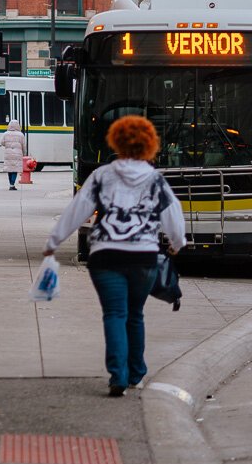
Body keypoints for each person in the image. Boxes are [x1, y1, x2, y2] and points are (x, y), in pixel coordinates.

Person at [42, 115, 186, 397]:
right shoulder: (155, 180)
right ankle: (136, 374)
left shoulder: (101, 176)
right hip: (143, 258)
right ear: (150, 144)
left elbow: (76, 211)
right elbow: (173, 216)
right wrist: (177, 243)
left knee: (114, 314)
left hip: (105, 256)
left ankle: (117, 376)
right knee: (135, 314)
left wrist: (53, 241)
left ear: (115, 141)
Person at [0, 119, 27, 190]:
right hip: (17, 154)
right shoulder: (21, 135)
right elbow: (24, 145)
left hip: (8, 154)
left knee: (9, 169)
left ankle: (11, 184)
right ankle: (12, 185)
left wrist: (7, 145)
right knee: (14, 169)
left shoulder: (5, 134)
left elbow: (2, 142)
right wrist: (24, 153)